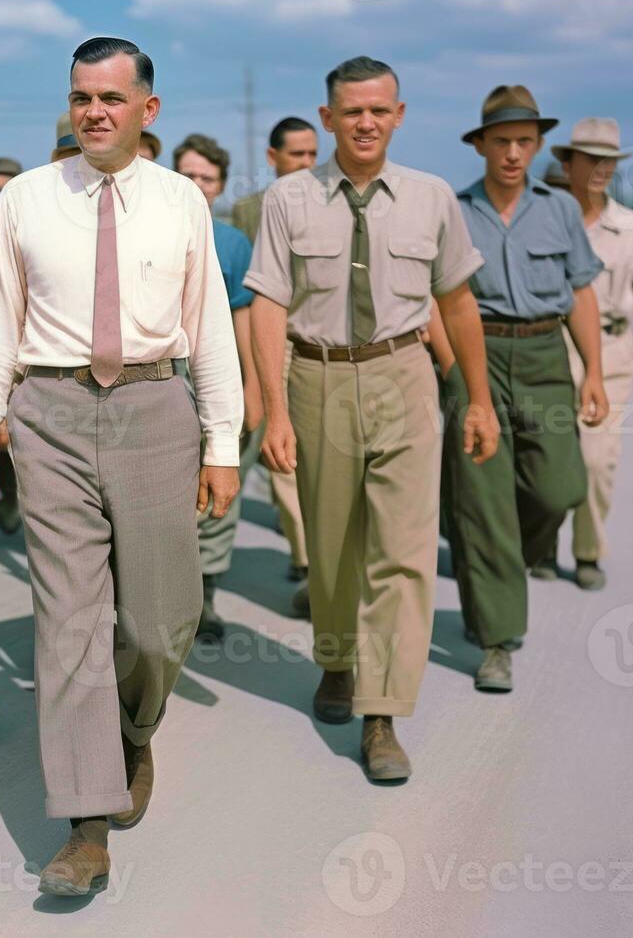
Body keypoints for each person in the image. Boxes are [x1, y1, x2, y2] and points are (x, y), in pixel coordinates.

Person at [0, 37, 243, 897]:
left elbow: (209, 329)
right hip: (46, 415)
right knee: (69, 623)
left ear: (146, 111)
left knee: (159, 621)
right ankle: (85, 824)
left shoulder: (179, 203)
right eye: (81, 96)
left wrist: (222, 443)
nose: (94, 112)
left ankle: (133, 729)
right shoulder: (24, 200)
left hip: (157, 411)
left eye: (111, 99)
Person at [249, 57, 499, 782]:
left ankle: (381, 713)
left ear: (398, 115)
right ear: (326, 119)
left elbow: (456, 302)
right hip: (317, 379)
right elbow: (267, 302)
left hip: (403, 377)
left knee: (402, 552)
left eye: (378, 111)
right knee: (331, 549)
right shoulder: (287, 199)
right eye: (350, 112)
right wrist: (272, 411)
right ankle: (334, 657)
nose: (364, 123)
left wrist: (477, 399)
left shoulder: (429, 199)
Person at [446, 86, 608, 692]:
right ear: (482, 145)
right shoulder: (455, 211)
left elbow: (583, 291)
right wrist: (451, 368)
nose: (513, 152)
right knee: (484, 501)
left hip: (544, 355)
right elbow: (442, 297)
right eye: (502, 141)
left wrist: (592, 371)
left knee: (560, 486)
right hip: (476, 354)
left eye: (524, 142)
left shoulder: (561, 209)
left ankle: (517, 557)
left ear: (537, 146)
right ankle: (496, 639)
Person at [552, 117, 633, 590]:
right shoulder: (546, 220)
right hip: (550, 346)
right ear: (568, 163)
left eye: (610, 160)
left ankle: (587, 551)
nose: (602, 168)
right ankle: (541, 542)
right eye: (591, 159)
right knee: (541, 458)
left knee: (596, 460)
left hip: (612, 350)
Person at [172, 133, 263, 639]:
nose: (197, 185)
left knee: (219, 485)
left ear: (221, 185)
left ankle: (206, 595)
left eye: (207, 178)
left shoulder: (232, 243)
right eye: (188, 175)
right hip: (165, 376)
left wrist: (253, 388)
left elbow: (244, 318)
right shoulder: (151, 229)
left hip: (219, 371)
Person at [232, 116, 320, 605]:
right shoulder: (248, 211)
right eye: (296, 155)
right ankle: (306, 556)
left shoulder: (332, 202)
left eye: (312, 154)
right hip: (272, 341)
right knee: (283, 449)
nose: (306, 163)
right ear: (273, 158)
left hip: (323, 342)